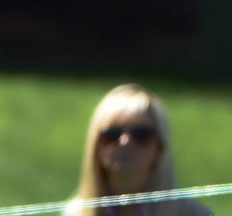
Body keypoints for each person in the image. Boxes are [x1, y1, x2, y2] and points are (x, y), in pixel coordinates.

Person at [64, 83, 211, 216]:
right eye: (111, 134)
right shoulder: (75, 212)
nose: (125, 142)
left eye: (140, 134)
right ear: (95, 145)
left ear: (160, 146)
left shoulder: (192, 213)